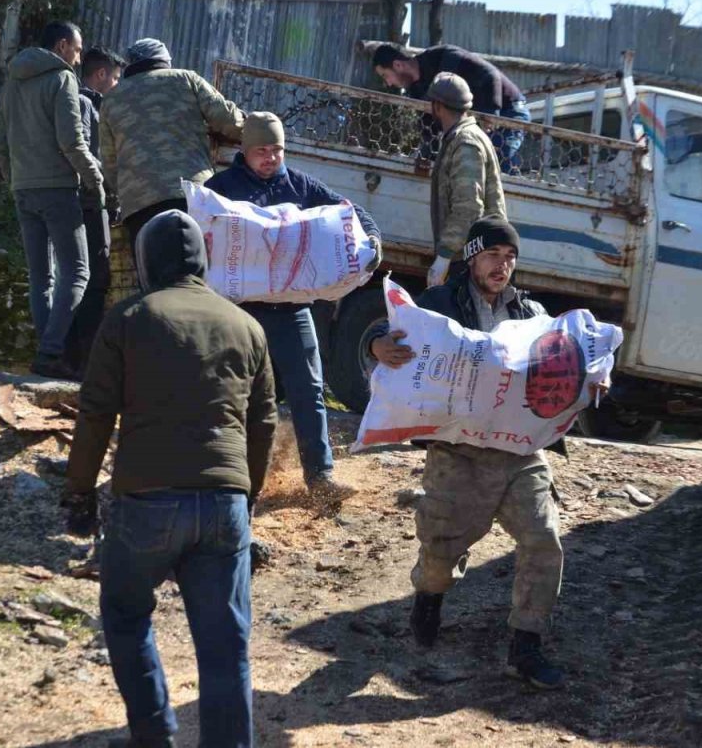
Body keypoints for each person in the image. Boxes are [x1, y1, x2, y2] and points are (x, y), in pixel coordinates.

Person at [63, 209, 278, 748]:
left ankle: (154, 735)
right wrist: (244, 497)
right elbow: (265, 421)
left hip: (146, 501)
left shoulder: (129, 319)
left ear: (145, 262)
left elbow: (94, 413)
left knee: (126, 613)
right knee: (227, 646)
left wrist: (79, 492)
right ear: (203, 260)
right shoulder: (246, 326)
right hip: (225, 504)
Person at [369, 217, 571, 691]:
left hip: (520, 453)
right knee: (440, 550)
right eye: (493, 256)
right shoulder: (441, 303)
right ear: (472, 257)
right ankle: (430, 597)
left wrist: (590, 376)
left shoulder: (533, 313)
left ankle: (526, 646)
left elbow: (567, 361)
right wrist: (377, 344)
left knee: (544, 540)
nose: (502, 266)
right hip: (458, 452)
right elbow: (392, 326)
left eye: (510, 258)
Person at [206, 112, 381, 496]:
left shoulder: (299, 184)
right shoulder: (221, 187)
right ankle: (220, 474)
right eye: (262, 151)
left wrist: (371, 237)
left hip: (290, 309)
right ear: (244, 151)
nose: (271, 158)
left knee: (308, 388)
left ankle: (320, 477)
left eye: (278, 150)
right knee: (230, 391)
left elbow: (349, 211)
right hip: (238, 312)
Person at [0, 20, 104, 380]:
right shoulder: (62, 79)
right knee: (77, 272)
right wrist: (95, 180)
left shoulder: (14, 80)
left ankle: (46, 355)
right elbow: (72, 142)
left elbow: (1, 145)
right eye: (77, 48)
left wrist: (16, 182)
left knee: (41, 277)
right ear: (61, 46)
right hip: (58, 189)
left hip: (24, 190)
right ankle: (51, 352)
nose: (78, 56)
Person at [98, 38, 245, 247]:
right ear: (165, 61)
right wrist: (255, 129)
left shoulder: (110, 100)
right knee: (198, 269)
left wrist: (127, 192)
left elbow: (110, 163)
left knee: (153, 273)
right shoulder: (186, 79)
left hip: (138, 204)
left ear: (130, 65)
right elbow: (229, 121)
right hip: (191, 194)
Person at [372, 42, 531, 172]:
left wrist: (490, 114)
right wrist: (427, 156)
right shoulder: (416, 90)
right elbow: (429, 126)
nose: (388, 83)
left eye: (385, 75)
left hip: (507, 111)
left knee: (499, 164)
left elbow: (491, 75)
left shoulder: (444, 58)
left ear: (398, 65)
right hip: (477, 122)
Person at [65, 45, 126, 372]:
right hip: (89, 203)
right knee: (93, 278)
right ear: (101, 75)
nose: (117, 84)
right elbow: (93, 159)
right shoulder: (88, 106)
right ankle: (79, 360)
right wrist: (108, 194)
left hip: (76, 201)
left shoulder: (73, 99)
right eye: (115, 78)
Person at [425, 72, 506, 288]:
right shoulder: (461, 137)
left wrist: (444, 257)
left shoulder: (465, 143)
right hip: (473, 257)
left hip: (471, 261)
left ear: (438, 107)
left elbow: (468, 207)